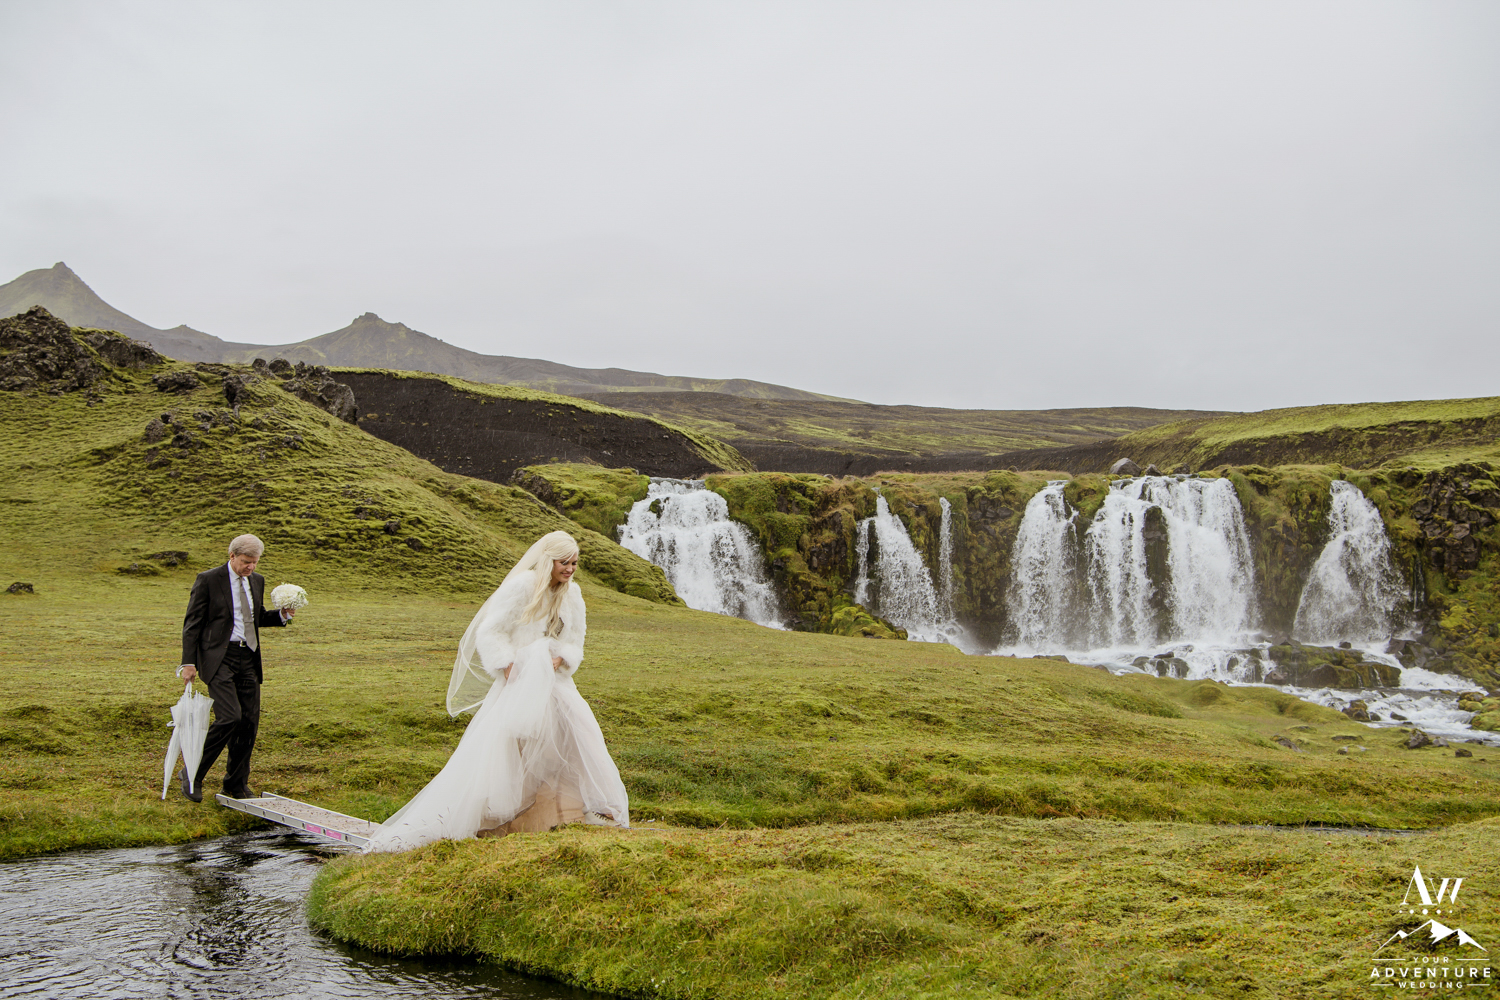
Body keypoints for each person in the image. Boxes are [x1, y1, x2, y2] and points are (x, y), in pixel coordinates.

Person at [365, 530, 629, 852]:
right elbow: (490, 631)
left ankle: (575, 813)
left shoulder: (573, 595)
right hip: (517, 685)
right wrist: (508, 666)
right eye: (565, 562)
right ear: (549, 561)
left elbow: (577, 640)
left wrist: (565, 658)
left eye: (575, 563)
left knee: (579, 740)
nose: (571, 569)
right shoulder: (521, 587)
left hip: (557, 684)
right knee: (510, 753)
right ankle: (497, 824)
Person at [176, 534, 294, 802]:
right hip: (219, 658)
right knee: (230, 717)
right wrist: (188, 662)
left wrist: (283, 615)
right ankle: (192, 773)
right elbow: (192, 623)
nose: (250, 567)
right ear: (232, 556)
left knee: (249, 724)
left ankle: (236, 784)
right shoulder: (208, 580)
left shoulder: (257, 580)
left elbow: (255, 618)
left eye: (254, 562)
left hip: (249, 657)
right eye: (245, 562)